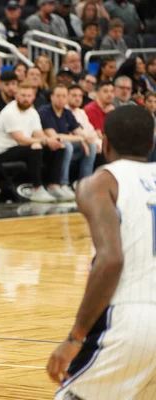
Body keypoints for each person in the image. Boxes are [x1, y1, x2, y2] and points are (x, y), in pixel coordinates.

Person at [47, 105, 156, 400]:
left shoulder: (99, 183)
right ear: (151, 142)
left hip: (132, 319)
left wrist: (76, 337)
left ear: (104, 142)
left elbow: (111, 260)